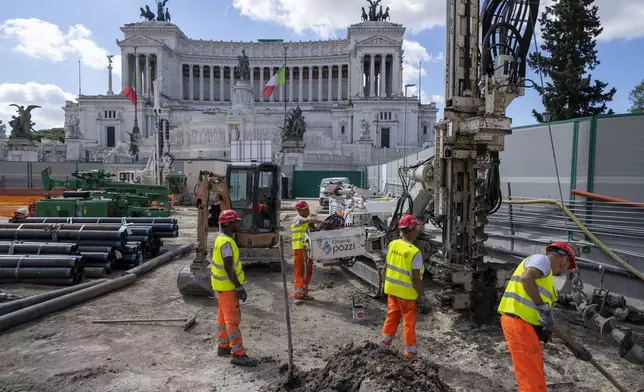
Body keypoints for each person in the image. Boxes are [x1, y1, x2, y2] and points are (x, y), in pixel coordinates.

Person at [498, 242, 591, 391]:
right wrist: (542, 307)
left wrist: (572, 345)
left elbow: (550, 320)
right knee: (532, 383)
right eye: (568, 266)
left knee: (534, 378)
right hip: (519, 324)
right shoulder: (542, 260)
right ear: (564, 259)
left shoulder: (545, 281)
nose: (564, 271)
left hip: (524, 326)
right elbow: (526, 278)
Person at [378, 214, 429, 359]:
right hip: (406, 295)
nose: (418, 231)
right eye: (416, 228)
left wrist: (384, 286)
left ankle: (384, 343)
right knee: (408, 324)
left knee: (392, 317)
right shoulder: (414, 253)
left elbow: (385, 268)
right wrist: (423, 296)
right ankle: (410, 352)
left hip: (392, 291)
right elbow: (415, 279)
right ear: (412, 229)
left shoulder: (393, 244)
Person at [211, 209, 257, 367]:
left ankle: (223, 346)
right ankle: (237, 354)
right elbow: (229, 267)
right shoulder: (226, 243)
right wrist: (239, 287)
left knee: (223, 318)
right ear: (229, 224)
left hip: (221, 287)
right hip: (229, 287)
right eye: (235, 221)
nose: (238, 223)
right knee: (232, 320)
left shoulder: (220, 239)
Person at [290, 200, 323, 305]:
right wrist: (314, 220)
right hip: (299, 249)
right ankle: (297, 295)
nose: (308, 210)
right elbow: (304, 221)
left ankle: (304, 293)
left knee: (307, 272)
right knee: (299, 272)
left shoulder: (306, 221)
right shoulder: (297, 219)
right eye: (306, 209)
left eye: (308, 208)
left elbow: (313, 228)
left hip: (307, 250)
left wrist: (318, 226)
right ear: (299, 211)